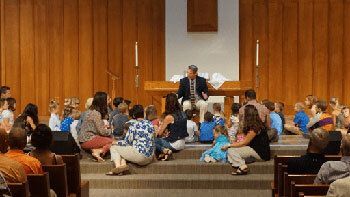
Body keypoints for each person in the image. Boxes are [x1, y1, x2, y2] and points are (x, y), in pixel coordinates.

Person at [222, 105, 270, 175]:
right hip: (254, 149)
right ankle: (245, 160)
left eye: (243, 113)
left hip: (260, 153)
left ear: (247, 115)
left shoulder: (255, 127)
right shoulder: (256, 124)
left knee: (230, 150)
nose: (242, 115)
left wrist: (229, 145)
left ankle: (242, 166)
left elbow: (244, 142)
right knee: (231, 150)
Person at [108, 105, 155, 175]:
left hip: (140, 156)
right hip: (150, 157)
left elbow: (126, 142)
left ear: (133, 115)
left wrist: (115, 142)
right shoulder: (150, 124)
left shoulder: (134, 125)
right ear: (143, 114)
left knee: (113, 147)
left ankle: (118, 166)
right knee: (123, 151)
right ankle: (122, 166)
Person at [78, 92, 113, 162]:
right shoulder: (95, 113)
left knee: (110, 138)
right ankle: (99, 151)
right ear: (102, 101)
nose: (109, 101)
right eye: (107, 99)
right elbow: (102, 132)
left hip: (85, 139)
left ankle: (95, 150)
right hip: (87, 139)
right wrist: (112, 130)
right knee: (113, 142)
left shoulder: (91, 111)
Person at [155, 93, 188, 160]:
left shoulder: (169, 117)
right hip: (183, 143)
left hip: (174, 144)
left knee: (152, 141)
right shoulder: (183, 113)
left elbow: (159, 134)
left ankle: (166, 151)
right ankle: (163, 154)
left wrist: (156, 130)